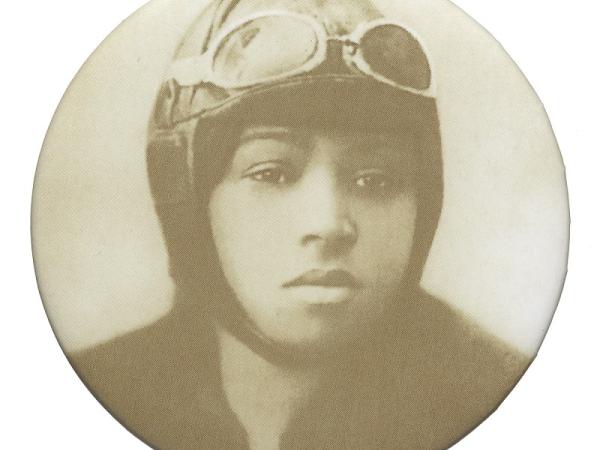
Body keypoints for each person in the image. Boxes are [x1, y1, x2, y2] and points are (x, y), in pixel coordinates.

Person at [70, 0, 531, 448]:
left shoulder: (498, 393)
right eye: (271, 173)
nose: (329, 225)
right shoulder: (101, 390)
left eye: (376, 180)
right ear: (186, 201)